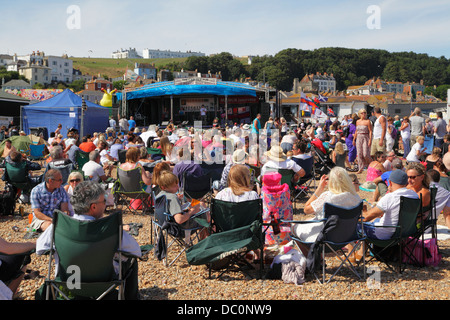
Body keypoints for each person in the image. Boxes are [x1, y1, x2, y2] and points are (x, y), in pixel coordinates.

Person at [36, 180, 142, 300]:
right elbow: (136, 251)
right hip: (104, 285)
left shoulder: (58, 227)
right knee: (131, 260)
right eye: (104, 201)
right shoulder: (110, 229)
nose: (106, 204)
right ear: (94, 206)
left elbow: (40, 249)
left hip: (70, 283)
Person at [291, 167, 361, 256]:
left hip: (324, 240)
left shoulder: (328, 196)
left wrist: (319, 189)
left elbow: (306, 209)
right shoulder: (356, 198)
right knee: (309, 219)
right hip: (346, 238)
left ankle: (312, 260)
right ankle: (316, 259)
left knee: (293, 227)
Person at [362, 169, 419, 241]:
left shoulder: (390, 197)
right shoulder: (414, 195)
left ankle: (358, 251)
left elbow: (365, 218)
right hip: (404, 234)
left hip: (384, 236)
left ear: (390, 182)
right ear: (406, 183)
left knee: (358, 225)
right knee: (376, 220)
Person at [353, 109, 372, 174]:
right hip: (358, 137)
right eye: (362, 113)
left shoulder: (368, 121)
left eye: (364, 113)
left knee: (365, 154)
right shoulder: (357, 121)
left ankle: (370, 164)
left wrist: (370, 140)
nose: (363, 114)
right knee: (359, 153)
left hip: (365, 137)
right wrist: (354, 139)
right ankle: (360, 168)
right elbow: (356, 131)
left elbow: (370, 131)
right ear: (359, 114)